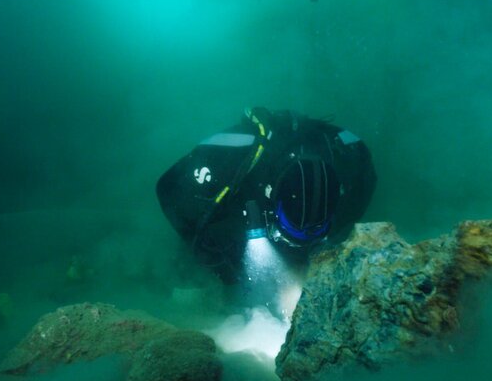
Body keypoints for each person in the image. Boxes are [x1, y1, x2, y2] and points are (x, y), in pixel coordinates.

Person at [156, 107, 377, 284]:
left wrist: (338, 232)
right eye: (286, 235)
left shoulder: (352, 160)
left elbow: (366, 185)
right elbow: (167, 187)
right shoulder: (231, 154)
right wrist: (207, 258)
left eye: (313, 236)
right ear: (271, 197)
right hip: (241, 194)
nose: (295, 248)